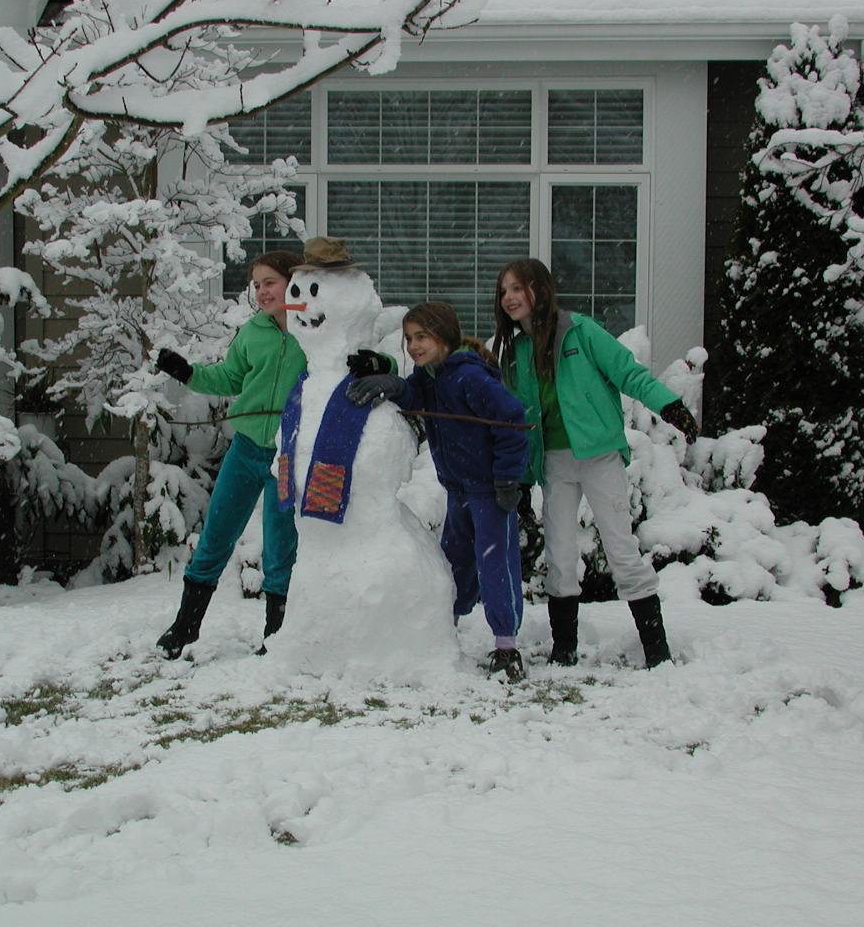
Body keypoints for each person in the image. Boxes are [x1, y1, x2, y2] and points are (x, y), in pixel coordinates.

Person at [491, 258, 699, 669]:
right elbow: (511, 418)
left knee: (622, 550)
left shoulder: (580, 332)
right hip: (553, 463)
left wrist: (670, 406)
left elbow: (628, 373)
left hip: (599, 455)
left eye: (518, 288)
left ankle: (657, 651)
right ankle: (563, 649)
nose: (510, 298)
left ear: (540, 289)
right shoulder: (513, 354)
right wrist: (515, 476)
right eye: (503, 292)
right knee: (560, 555)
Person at [348, 301, 531, 683]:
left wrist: (508, 477)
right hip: (458, 489)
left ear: (444, 336)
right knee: (455, 560)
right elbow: (413, 396)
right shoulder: (428, 376)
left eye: (422, 337)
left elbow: (513, 419)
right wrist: (393, 383)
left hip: (490, 489)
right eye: (410, 338)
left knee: (495, 563)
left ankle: (506, 645)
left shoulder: (470, 378)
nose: (414, 345)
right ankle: (443, 626)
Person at [153, 250, 306, 658]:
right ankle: (185, 626)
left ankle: (275, 637)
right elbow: (228, 376)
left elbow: (347, 361)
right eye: (256, 284)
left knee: (279, 545)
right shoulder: (252, 331)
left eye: (269, 281)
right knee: (217, 534)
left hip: (287, 456)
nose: (261, 291)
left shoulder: (314, 330)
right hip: (246, 448)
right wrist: (187, 372)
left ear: (293, 281)